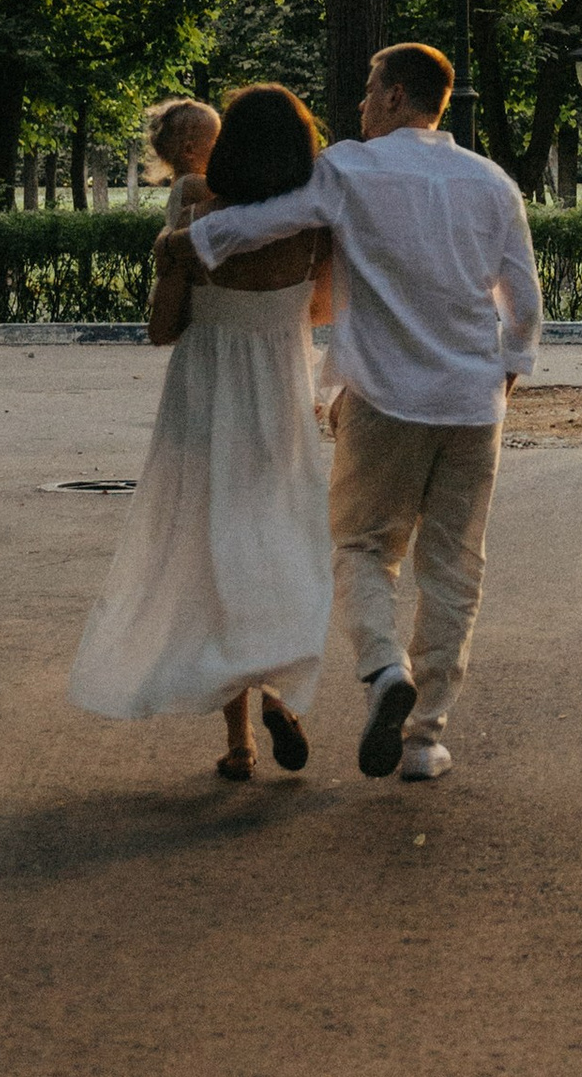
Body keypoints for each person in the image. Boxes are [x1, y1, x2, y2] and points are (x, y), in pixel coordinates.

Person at [170, 40, 542, 786]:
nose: (362, 104)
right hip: (474, 406)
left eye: (371, 90)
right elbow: (524, 304)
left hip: (384, 400)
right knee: (455, 569)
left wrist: (192, 239)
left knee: (363, 546)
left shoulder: (349, 169)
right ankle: (424, 740)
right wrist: (501, 381)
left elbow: (266, 222)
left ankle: (383, 670)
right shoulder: (493, 182)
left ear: (398, 95)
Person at [70, 83, 334, 783]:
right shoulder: (316, 226)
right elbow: (321, 310)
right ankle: (278, 693)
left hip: (204, 400)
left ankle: (240, 743)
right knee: (274, 545)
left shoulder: (195, 217)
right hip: (278, 400)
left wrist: (184, 273)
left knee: (209, 557)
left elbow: (163, 328)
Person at [141, 96, 223, 233]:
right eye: (216, 141)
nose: (222, 148)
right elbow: (233, 196)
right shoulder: (191, 183)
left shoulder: (180, 183)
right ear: (189, 150)